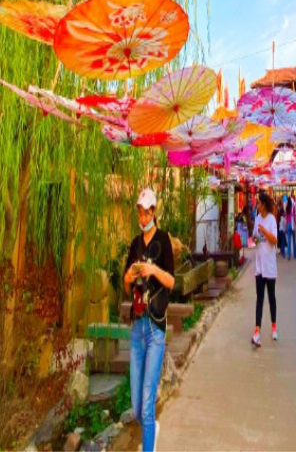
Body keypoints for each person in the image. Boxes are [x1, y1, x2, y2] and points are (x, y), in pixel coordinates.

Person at [123, 189, 176, 452]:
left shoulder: (164, 240)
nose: (143, 217)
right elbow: (124, 285)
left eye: (147, 211)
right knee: (136, 405)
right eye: (140, 212)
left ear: (154, 211)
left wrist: (153, 269)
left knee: (146, 402)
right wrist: (130, 276)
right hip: (137, 326)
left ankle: (148, 446)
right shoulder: (135, 243)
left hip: (155, 326)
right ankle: (151, 429)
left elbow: (171, 282)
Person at [252, 191, 279, 346]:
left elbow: (274, 240)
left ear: (264, 204)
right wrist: (255, 238)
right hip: (259, 266)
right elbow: (256, 238)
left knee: (271, 297)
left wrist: (263, 231)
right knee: (259, 299)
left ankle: (274, 327)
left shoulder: (271, 220)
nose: (257, 205)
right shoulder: (257, 219)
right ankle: (257, 332)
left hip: (270, 265)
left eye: (259, 203)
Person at [286, 193, 296, 260]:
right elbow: (294, 216)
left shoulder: (287, 208)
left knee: (289, 240)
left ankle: (288, 255)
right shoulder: (293, 208)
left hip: (288, 224)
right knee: (294, 240)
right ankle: (295, 254)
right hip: (293, 224)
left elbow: (286, 218)